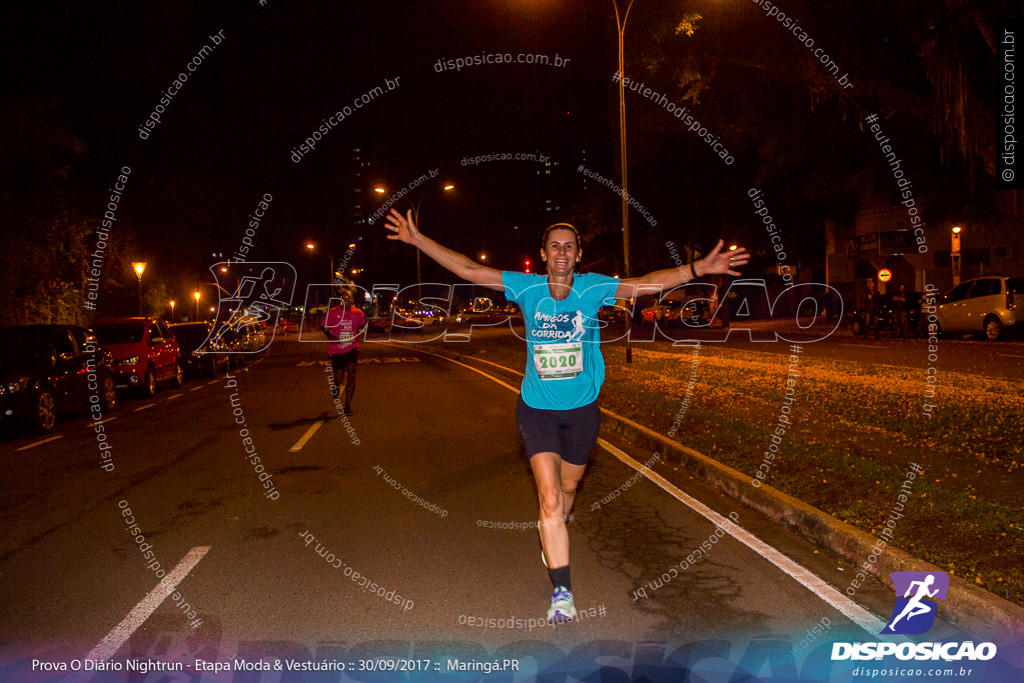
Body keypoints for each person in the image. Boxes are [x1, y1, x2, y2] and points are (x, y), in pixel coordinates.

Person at [384, 210, 749, 623]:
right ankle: (562, 591)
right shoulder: (526, 288)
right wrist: (419, 240)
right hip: (537, 409)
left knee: (569, 486)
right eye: (554, 245)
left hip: (581, 412)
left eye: (569, 246)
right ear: (544, 254)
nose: (562, 252)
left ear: (578, 256)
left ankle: (554, 524)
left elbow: (648, 285)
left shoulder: (594, 289)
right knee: (550, 495)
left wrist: (700, 267)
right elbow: (469, 269)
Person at [321, 289, 366, 416]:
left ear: (352, 300)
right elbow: (323, 326)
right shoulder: (333, 312)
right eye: (344, 297)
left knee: (351, 376)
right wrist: (331, 337)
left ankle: (347, 405)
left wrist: (357, 335)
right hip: (337, 349)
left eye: (349, 297)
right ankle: (336, 386)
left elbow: (363, 325)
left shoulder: (358, 313)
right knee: (339, 377)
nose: (346, 299)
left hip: (352, 348)